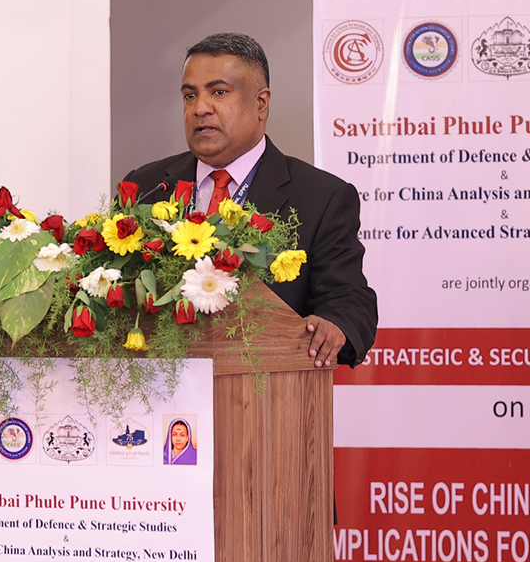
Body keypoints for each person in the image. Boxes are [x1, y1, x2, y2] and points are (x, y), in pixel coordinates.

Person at [123, 32, 377, 367]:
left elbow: (348, 298)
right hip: (157, 388)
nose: (200, 108)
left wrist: (336, 325)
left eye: (219, 92)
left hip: (263, 394)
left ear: (261, 103)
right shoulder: (146, 186)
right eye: (189, 95)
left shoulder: (320, 197)